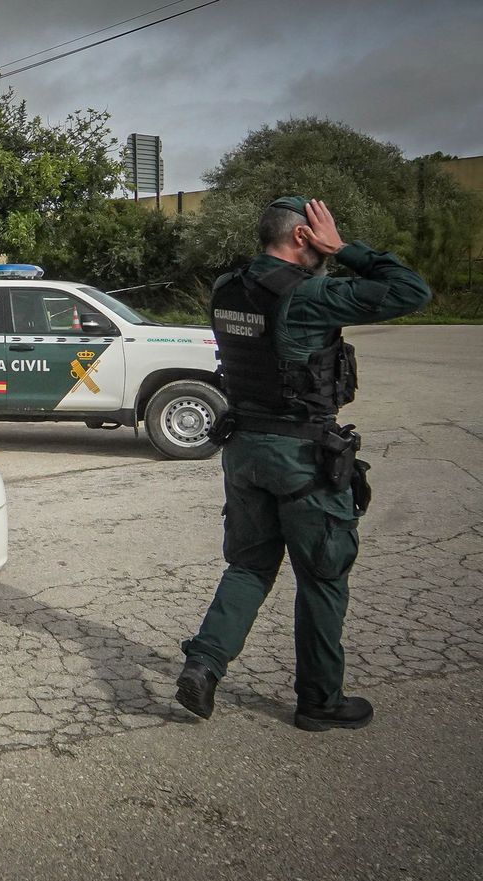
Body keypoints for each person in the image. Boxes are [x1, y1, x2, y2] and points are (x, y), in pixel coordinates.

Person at [176, 197, 432, 731]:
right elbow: (413, 291)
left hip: (244, 449)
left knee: (249, 565)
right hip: (302, 457)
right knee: (323, 574)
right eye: (319, 237)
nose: (326, 248)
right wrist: (348, 249)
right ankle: (319, 701)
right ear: (301, 238)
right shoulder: (310, 294)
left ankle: (204, 663)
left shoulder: (227, 288)